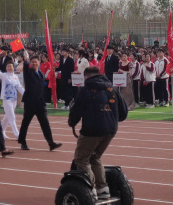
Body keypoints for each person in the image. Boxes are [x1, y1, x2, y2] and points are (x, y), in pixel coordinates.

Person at [68, 66, 129, 200]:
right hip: (111, 129)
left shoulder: (85, 89)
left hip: (92, 130)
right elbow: (124, 113)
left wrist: (72, 122)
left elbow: (76, 110)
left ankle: (90, 190)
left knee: (81, 159)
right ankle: (103, 189)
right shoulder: (112, 88)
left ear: (86, 77)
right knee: (95, 157)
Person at [17, 57, 62, 151]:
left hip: (40, 103)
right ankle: (22, 142)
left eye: (36, 62)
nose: (34, 63)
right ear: (30, 63)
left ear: (39, 63)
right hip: (30, 102)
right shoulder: (28, 72)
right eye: (32, 62)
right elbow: (26, 67)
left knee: (45, 123)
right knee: (26, 123)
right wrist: (26, 61)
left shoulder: (41, 74)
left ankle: (51, 143)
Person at [0, 60, 25, 139]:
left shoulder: (15, 77)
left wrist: (26, 94)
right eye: (8, 66)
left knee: (8, 116)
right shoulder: (3, 75)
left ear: (13, 67)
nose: (9, 67)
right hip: (6, 99)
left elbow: (19, 87)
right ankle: (17, 134)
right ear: (6, 68)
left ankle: (0, 131)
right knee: (12, 116)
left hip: (14, 99)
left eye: (10, 66)